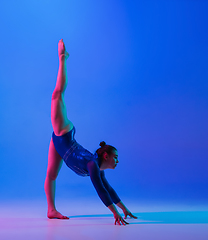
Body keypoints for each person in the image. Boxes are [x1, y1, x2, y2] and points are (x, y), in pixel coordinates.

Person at [44, 39, 137, 225]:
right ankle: (63, 58)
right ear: (105, 155)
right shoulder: (93, 165)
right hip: (64, 135)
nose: (117, 160)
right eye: (115, 157)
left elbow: (107, 188)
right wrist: (114, 213)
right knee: (57, 95)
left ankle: (51, 210)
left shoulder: (98, 167)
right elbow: (100, 190)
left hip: (60, 145)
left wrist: (124, 209)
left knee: (51, 175)